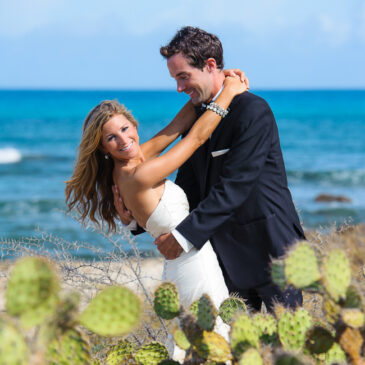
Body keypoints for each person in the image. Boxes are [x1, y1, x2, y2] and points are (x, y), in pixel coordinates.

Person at [123, 26, 304, 312]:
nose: (179, 88)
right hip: (223, 256)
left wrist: (183, 237)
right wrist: (138, 213)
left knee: (288, 350)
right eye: (175, 79)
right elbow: (187, 188)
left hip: (272, 250)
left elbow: (236, 186)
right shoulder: (198, 115)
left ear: (209, 66)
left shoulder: (253, 111)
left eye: (184, 77)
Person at [65, 75, 247, 357]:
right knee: (214, 342)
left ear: (134, 125)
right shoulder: (140, 173)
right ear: (102, 147)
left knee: (196, 345)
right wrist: (231, 92)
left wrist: (217, 81)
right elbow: (196, 138)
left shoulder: (129, 163)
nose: (124, 140)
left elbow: (176, 127)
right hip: (194, 263)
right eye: (111, 138)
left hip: (181, 263)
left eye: (125, 129)